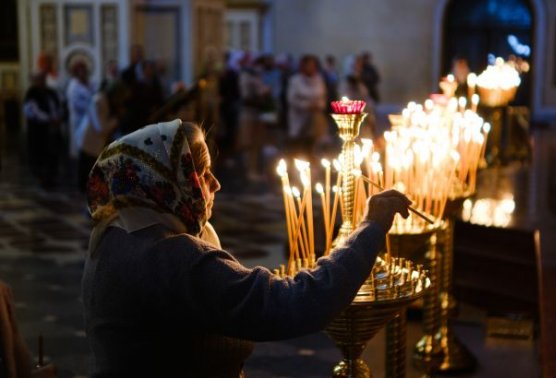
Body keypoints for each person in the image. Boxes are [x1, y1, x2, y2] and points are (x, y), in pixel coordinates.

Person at [82, 119, 412, 377]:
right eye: (202, 173)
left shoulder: (115, 233)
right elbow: (294, 303)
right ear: (165, 182)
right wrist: (370, 228)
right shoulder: (170, 257)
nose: (215, 184)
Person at [75, 81, 129, 192]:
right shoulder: (99, 100)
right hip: (89, 144)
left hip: (96, 145)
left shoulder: (106, 101)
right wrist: (117, 119)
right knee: (86, 182)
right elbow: (100, 128)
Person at [23, 72, 62, 189]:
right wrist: (49, 119)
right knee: (40, 156)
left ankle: (52, 177)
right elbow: (32, 111)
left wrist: (58, 117)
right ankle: (43, 179)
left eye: (43, 79)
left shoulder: (51, 92)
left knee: (53, 155)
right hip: (39, 132)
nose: (41, 81)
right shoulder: (31, 94)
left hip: (53, 130)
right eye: (38, 79)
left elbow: (58, 106)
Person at [286, 55, 328, 153]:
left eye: (313, 65)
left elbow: (322, 97)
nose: (311, 67)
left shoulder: (319, 80)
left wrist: (318, 105)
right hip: (300, 117)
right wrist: (306, 105)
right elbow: (291, 99)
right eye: (308, 65)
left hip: (315, 118)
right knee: (299, 147)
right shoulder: (295, 80)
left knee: (315, 145)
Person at [66, 61, 93, 159]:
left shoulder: (89, 83)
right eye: (80, 70)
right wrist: (91, 106)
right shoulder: (73, 86)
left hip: (89, 119)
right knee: (79, 142)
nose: (83, 72)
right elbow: (76, 104)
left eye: (84, 70)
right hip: (79, 117)